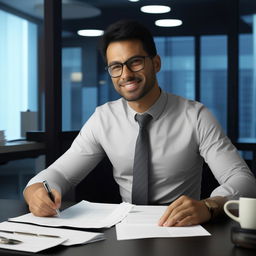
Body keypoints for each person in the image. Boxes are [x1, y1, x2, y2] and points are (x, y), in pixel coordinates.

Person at [24, 20, 256, 227]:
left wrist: (209, 206)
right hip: (126, 229)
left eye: (135, 62)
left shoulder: (195, 115)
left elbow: (243, 180)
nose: (126, 74)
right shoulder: (103, 118)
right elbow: (61, 174)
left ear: (156, 63)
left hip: (181, 229)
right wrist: (36, 190)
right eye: (116, 66)